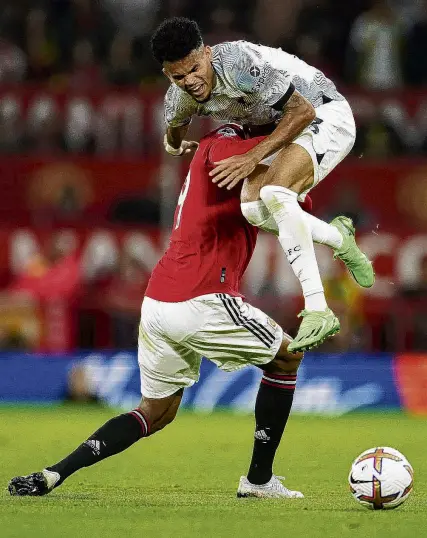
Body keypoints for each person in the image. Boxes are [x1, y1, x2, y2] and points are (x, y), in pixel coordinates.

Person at [9, 124, 311, 500]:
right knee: (287, 357)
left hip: (159, 301)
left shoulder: (225, 147)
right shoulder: (228, 144)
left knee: (155, 412)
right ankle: (258, 480)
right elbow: (285, 193)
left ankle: (54, 473)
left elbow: (287, 199)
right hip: (202, 295)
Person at [150, 17, 375, 353]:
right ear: (169, 74)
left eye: (195, 69)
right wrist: (174, 145)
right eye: (179, 76)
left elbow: (302, 111)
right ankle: (339, 237)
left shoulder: (239, 65)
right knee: (253, 208)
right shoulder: (180, 96)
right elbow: (175, 128)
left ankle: (318, 309)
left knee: (274, 193)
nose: (192, 81)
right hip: (280, 130)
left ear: (207, 53)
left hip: (325, 113)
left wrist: (251, 158)